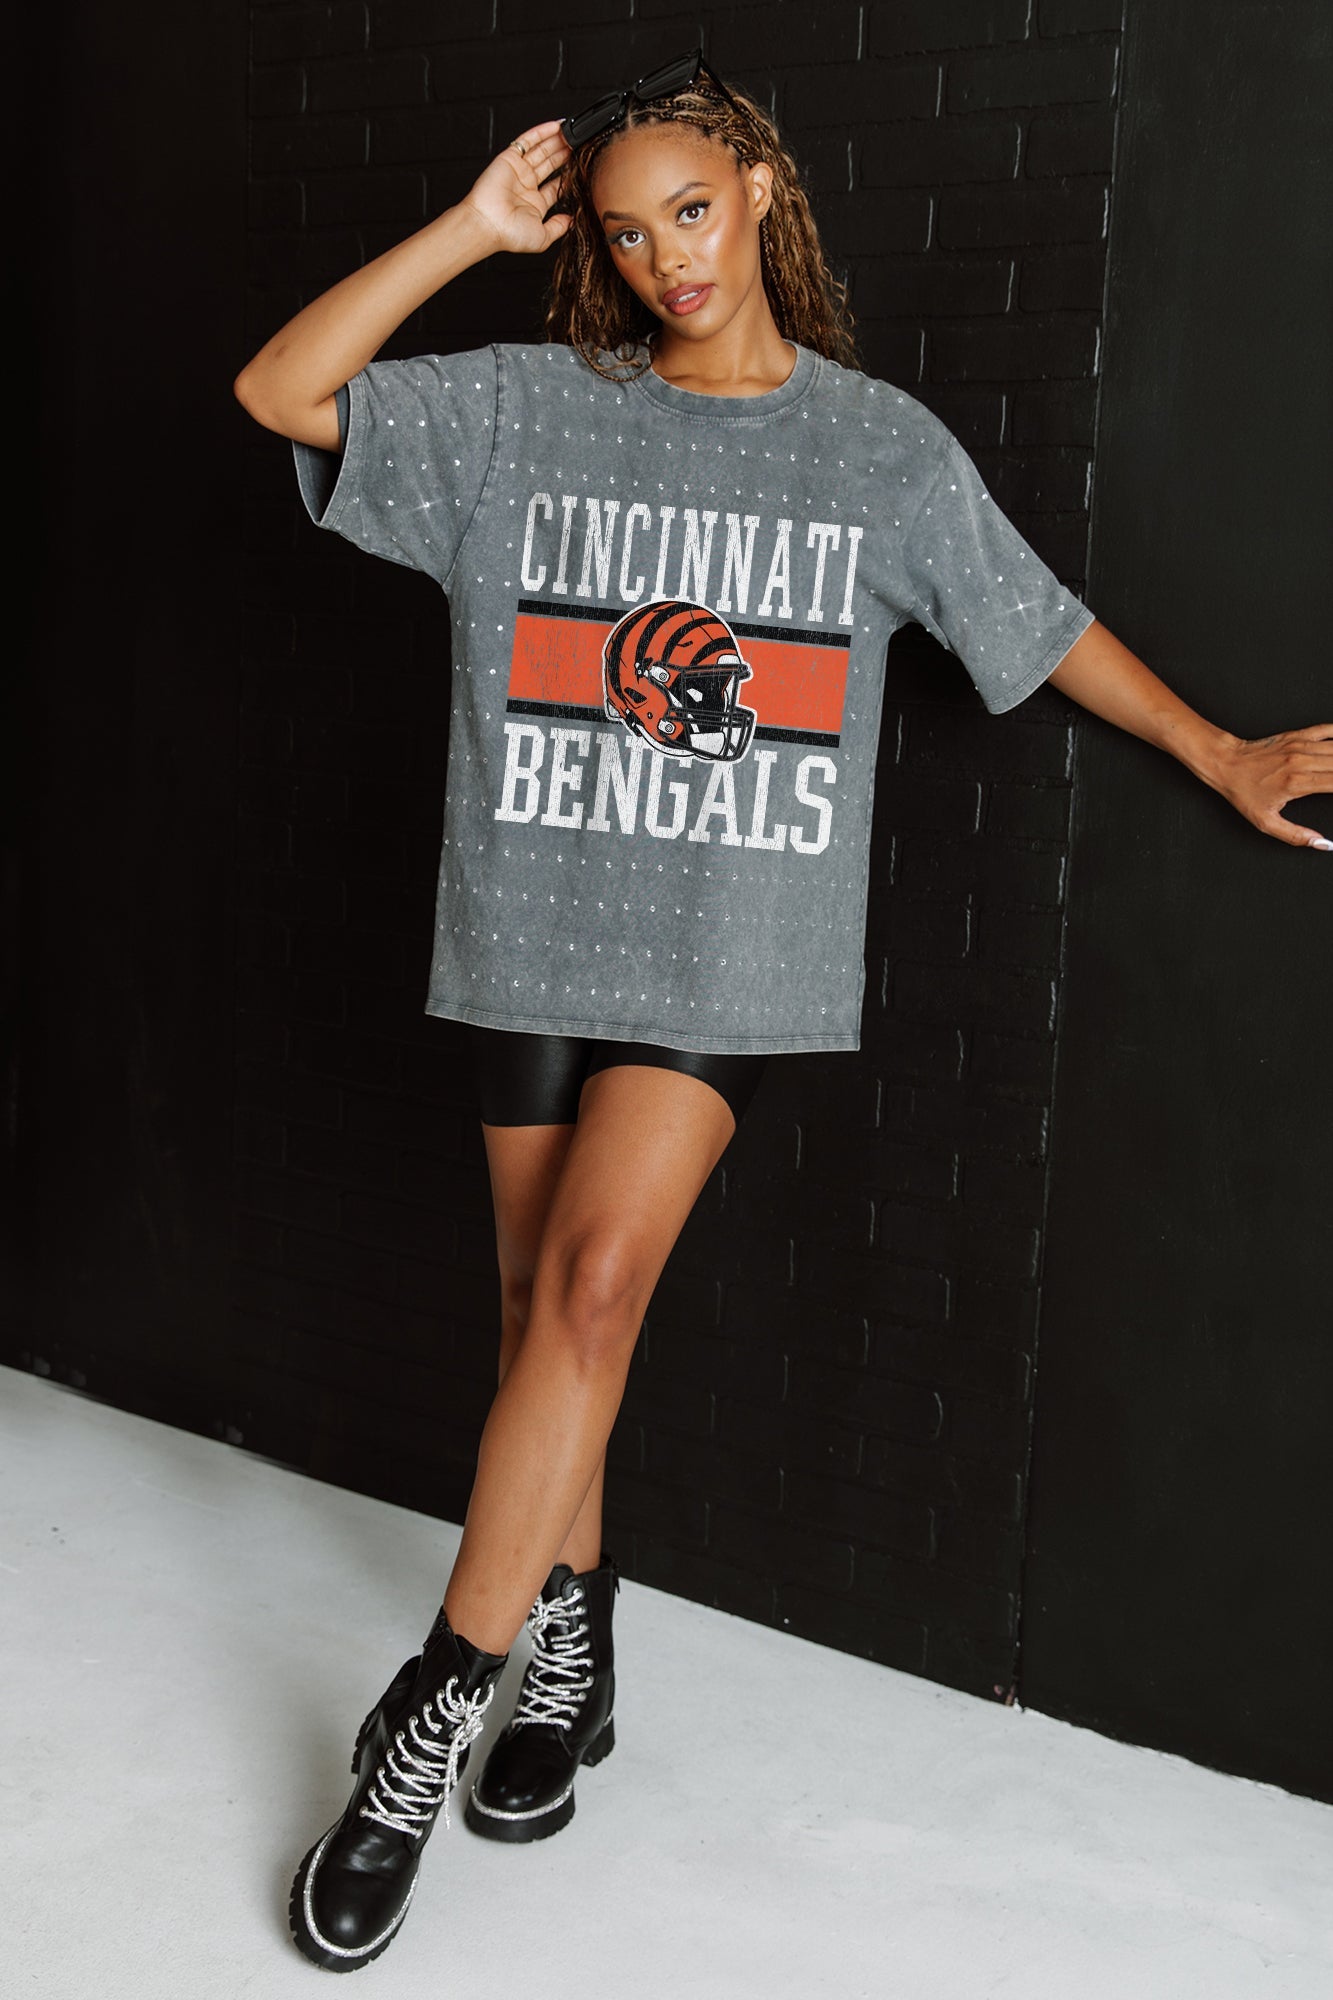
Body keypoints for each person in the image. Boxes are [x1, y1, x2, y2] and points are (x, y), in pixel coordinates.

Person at [234, 48, 1332, 1973]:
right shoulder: (521, 411)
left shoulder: (873, 450)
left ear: (756, 188)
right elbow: (279, 392)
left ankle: (425, 1720)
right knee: (538, 1323)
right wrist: (472, 230)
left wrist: (1221, 749)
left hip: (724, 953)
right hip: (525, 926)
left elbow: (1035, 620)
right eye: (624, 229)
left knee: (589, 1296)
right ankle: (569, 1664)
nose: (666, 255)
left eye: (691, 208)